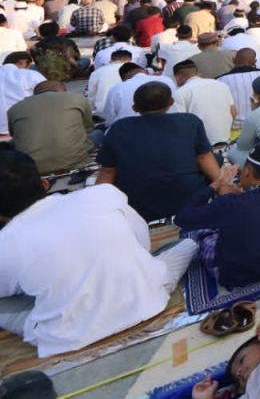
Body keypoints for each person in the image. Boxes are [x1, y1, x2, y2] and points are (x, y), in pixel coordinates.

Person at [0, 150, 198, 357]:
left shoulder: (7, 242)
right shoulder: (102, 194)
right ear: (45, 184)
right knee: (188, 244)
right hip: (150, 297)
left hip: (66, 335)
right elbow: (143, 244)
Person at [97, 81, 219, 221]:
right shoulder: (190, 121)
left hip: (139, 204)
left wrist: (99, 204)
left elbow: (107, 171)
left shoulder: (119, 128)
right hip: (189, 198)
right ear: (171, 102)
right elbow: (204, 158)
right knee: (214, 159)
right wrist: (222, 184)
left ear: (135, 107)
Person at [174, 145, 260, 288]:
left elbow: (182, 218)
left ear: (247, 171)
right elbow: (255, 207)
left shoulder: (228, 204)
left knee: (205, 234)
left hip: (234, 275)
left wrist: (215, 184)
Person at [7, 80, 94, 175]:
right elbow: (88, 128)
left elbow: (14, 135)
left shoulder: (14, 108)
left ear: (35, 93)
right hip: (75, 161)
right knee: (98, 133)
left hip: (32, 167)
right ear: (63, 90)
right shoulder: (77, 98)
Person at [173, 60, 237, 146]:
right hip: (226, 140)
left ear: (177, 77)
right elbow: (233, 112)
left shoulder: (180, 92)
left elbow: (180, 123)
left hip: (201, 146)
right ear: (198, 73)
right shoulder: (221, 85)